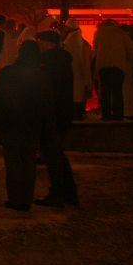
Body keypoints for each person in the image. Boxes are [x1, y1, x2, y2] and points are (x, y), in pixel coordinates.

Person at [0, 41, 54, 211]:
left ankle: (16, 198)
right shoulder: (41, 75)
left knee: (13, 163)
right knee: (28, 161)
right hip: (32, 124)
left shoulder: (8, 73)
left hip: (11, 123)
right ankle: (26, 197)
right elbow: (47, 103)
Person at [35, 30, 78, 207]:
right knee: (57, 154)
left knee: (53, 154)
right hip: (61, 113)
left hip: (53, 114)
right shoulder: (61, 61)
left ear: (47, 44)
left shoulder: (50, 63)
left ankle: (60, 192)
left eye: (40, 42)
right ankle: (67, 191)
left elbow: (49, 90)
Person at [93, 19, 133, 120]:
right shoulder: (121, 33)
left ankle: (106, 115)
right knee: (117, 92)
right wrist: (127, 58)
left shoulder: (99, 34)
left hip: (103, 66)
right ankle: (118, 115)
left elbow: (95, 50)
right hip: (118, 66)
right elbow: (131, 49)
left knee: (105, 92)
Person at [62, 19, 93, 120]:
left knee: (75, 92)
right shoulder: (78, 37)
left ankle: (76, 113)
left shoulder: (71, 38)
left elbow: (67, 51)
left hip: (74, 68)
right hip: (79, 68)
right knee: (78, 91)